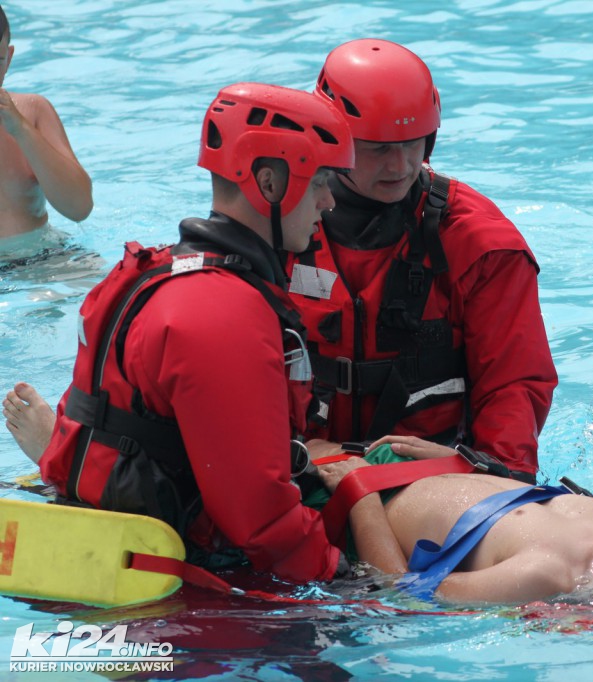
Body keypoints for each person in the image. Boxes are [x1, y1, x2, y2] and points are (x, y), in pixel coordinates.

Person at [33, 82, 357, 584]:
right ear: (269, 183)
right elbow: (263, 524)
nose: (329, 202)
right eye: (320, 182)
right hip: (179, 589)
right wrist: (357, 582)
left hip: (96, 550)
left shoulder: (154, 273)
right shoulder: (223, 313)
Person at [290, 39, 557, 482]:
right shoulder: (276, 226)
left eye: (413, 143)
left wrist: (493, 482)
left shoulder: (482, 245)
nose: (401, 164)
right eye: (378, 147)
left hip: (431, 473)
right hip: (305, 462)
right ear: (334, 138)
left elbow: (514, 387)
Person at [317, 443, 593, 604]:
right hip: (415, 468)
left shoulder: (546, 574)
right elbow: (528, 503)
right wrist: (471, 466)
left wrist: (360, 496)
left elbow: (404, 592)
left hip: (351, 508)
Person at [0, 4, 93, 239]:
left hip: (40, 258)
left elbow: (79, 208)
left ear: (8, 58)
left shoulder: (32, 112)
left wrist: (21, 130)